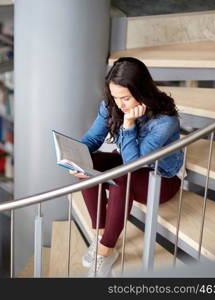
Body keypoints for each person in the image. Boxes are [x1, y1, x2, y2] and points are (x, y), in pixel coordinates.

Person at [69, 57, 184, 277]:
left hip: (161, 178)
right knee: (88, 164)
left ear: (142, 91)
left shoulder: (165, 121)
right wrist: (76, 157)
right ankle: (102, 234)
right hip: (131, 165)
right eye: (114, 97)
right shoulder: (113, 105)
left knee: (122, 178)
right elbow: (93, 138)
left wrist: (129, 125)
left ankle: (106, 250)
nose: (119, 104)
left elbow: (133, 165)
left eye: (126, 98)